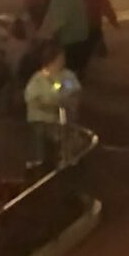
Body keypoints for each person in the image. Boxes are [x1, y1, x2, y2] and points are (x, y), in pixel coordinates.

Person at [24, 40, 80, 173]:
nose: (63, 60)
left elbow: (72, 92)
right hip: (42, 120)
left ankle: (67, 159)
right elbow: (32, 99)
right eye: (60, 57)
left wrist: (66, 100)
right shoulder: (37, 79)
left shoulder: (67, 76)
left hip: (62, 120)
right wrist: (52, 104)